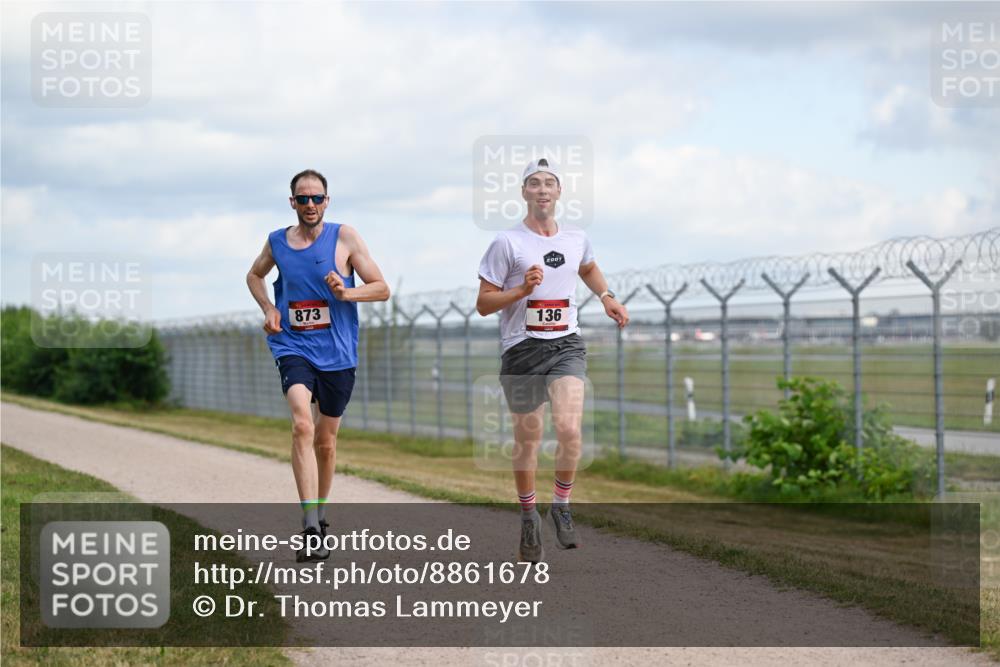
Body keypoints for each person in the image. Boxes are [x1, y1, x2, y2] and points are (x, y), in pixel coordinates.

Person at [476, 158, 629, 562]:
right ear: (524, 192)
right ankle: (529, 516)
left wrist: (606, 296)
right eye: (534, 183)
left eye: (550, 183)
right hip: (522, 350)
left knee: (569, 428)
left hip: (566, 345)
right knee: (527, 441)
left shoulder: (577, 237)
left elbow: (589, 267)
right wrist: (521, 290)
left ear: (559, 192)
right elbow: (483, 305)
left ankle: (560, 506)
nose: (542, 189)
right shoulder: (507, 243)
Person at [247, 169, 390, 562]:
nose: (310, 205)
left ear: (327, 201)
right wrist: (270, 307)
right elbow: (254, 275)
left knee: (326, 442)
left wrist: (348, 291)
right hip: (292, 344)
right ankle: (310, 525)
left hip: (338, 352)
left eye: (317, 198)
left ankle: (321, 513)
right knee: (301, 425)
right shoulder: (277, 241)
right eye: (303, 198)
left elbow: (382, 288)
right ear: (292, 202)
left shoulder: (345, 237)